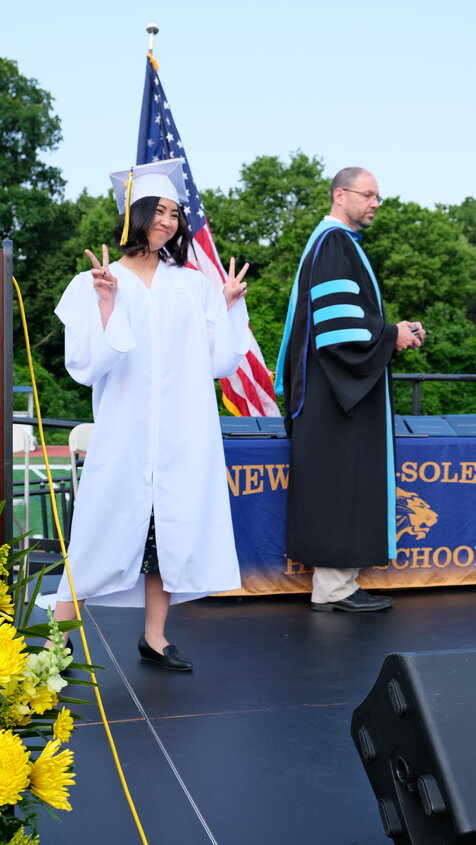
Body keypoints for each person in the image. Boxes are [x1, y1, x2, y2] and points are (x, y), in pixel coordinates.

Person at [51, 159, 250, 668]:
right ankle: (58, 639)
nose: (168, 221)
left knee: (166, 534)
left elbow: (218, 360)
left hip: (182, 433)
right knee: (100, 527)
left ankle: (155, 637)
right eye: (158, 210)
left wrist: (227, 305)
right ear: (134, 215)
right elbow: (87, 365)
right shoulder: (96, 279)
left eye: (175, 213)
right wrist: (106, 304)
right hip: (125, 433)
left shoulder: (191, 283)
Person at [275, 167, 425, 612]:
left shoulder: (334, 244)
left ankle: (341, 584)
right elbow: (341, 331)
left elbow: (345, 318)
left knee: (342, 481)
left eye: (378, 196)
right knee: (338, 482)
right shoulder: (335, 243)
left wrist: (390, 331)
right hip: (333, 393)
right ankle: (333, 589)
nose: (375, 203)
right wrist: (390, 334)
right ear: (340, 195)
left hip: (332, 389)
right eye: (368, 194)